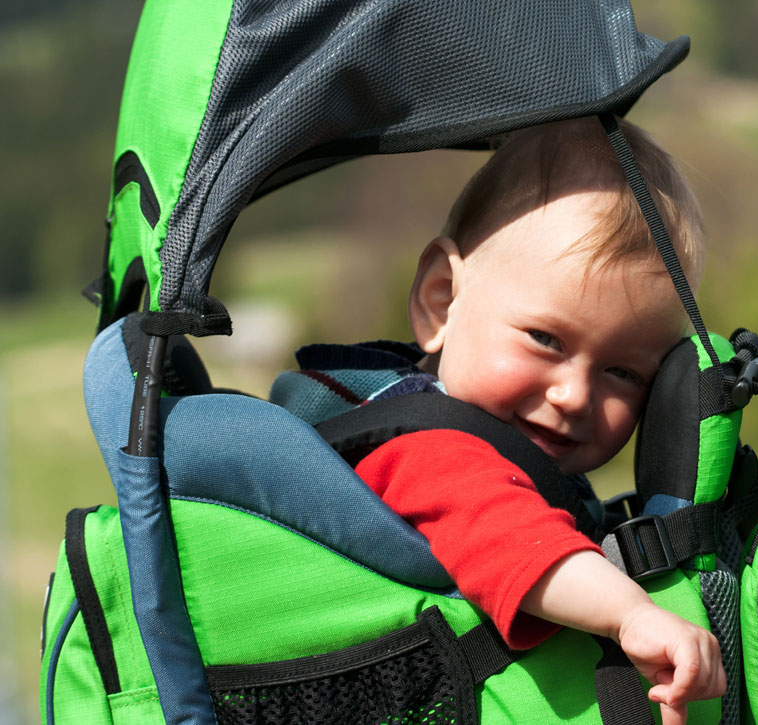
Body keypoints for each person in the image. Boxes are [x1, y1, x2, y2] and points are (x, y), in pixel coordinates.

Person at [271, 117, 724, 724]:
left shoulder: (502, 444)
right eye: (545, 339)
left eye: (623, 373)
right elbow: (513, 539)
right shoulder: (426, 446)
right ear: (442, 301)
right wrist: (632, 613)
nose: (572, 394)